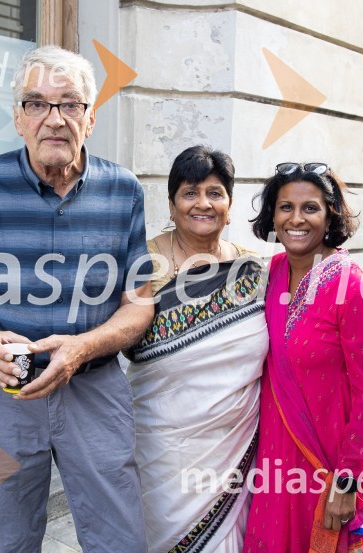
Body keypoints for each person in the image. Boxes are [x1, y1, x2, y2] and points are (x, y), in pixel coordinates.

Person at [0, 45, 154, 552]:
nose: (54, 118)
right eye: (37, 103)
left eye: (70, 103)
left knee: (122, 541)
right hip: (0, 390)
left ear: (90, 118)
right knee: (6, 541)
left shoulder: (123, 190)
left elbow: (139, 302)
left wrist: (82, 348)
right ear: (18, 118)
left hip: (93, 389)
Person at [242, 163, 363, 553]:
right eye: (285, 207)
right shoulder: (274, 270)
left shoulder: (355, 287)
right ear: (272, 216)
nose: (296, 219)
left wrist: (347, 483)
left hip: (331, 460)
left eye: (310, 208)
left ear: (330, 216)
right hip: (277, 455)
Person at [126, 146, 267, 552]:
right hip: (162, 444)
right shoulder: (143, 264)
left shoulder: (254, 270)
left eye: (214, 192)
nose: (202, 203)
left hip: (234, 443)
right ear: (171, 206)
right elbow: (118, 337)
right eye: (189, 193)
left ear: (230, 204)